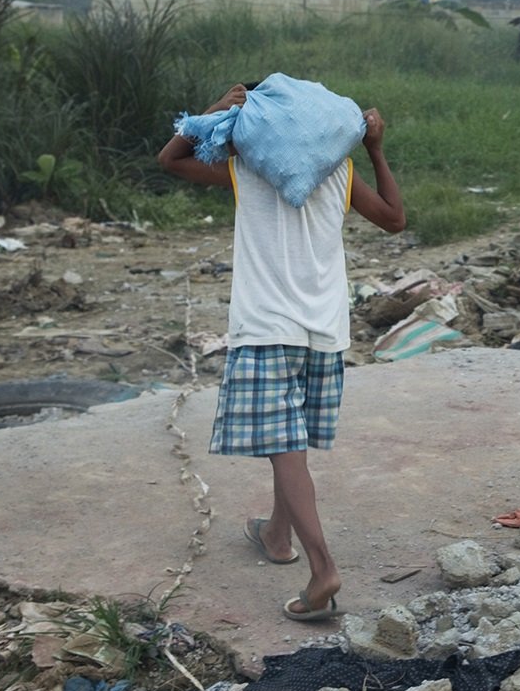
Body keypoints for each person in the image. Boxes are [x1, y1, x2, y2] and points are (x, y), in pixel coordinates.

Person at [157, 82, 405, 622]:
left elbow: (170, 159)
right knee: (290, 443)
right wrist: (375, 149)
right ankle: (276, 534)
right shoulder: (339, 173)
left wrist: (214, 110)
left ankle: (323, 570)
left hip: (267, 326)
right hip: (324, 329)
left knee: (283, 447)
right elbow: (394, 218)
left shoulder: (246, 169)